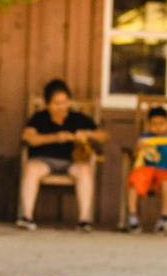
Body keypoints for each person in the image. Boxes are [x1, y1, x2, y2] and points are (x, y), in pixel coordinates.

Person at [18, 78, 108, 232]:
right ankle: (27, 217)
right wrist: (54, 137)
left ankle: (84, 220)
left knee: (85, 170)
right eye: (57, 103)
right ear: (48, 104)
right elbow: (28, 137)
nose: (62, 107)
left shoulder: (78, 119)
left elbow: (104, 136)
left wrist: (86, 134)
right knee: (31, 168)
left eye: (65, 102)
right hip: (43, 161)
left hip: (72, 162)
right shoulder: (39, 118)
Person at [124, 106, 167, 234]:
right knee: (134, 179)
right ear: (148, 125)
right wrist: (139, 148)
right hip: (146, 169)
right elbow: (136, 158)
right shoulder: (144, 138)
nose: (158, 127)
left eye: (162, 124)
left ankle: (165, 216)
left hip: (165, 170)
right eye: (154, 124)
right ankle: (132, 216)